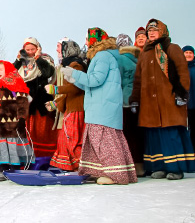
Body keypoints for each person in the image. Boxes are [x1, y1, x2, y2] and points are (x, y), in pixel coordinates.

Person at [62, 28, 137, 185]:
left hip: (102, 107)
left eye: (88, 39)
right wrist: (75, 79)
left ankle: (117, 175)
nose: (86, 42)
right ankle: (99, 171)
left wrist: (74, 73)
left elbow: (95, 80)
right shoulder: (105, 56)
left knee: (105, 142)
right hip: (101, 105)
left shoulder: (102, 56)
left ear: (95, 41)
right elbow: (91, 84)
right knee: (99, 142)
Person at [130, 19, 195, 180]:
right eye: (149, 31)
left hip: (169, 101)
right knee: (154, 136)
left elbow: (183, 73)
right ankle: (159, 167)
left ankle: (176, 168)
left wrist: (182, 94)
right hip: (149, 104)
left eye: (154, 30)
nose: (151, 33)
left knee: (170, 134)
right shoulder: (145, 52)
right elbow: (138, 79)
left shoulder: (172, 48)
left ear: (163, 31)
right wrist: (135, 99)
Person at [13, 38, 57, 161]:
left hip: (41, 100)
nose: (30, 52)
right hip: (25, 101)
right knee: (24, 130)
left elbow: (48, 73)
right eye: (27, 50)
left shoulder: (45, 58)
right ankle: (26, 157)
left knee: (43, 130)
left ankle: (45, 157)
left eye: (33, 49)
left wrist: (38, 58)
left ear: (38, 48)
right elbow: (11, 74)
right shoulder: (21, 61)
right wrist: (17, 60)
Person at [0, 61, 33, 181]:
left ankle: (15, 168)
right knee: (1, 147)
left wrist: (21, 118)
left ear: (8, 70)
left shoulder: (16, 83)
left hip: (12, 123)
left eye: (2, 69)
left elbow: (22, 102)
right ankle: (2, 168)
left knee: (12, 146)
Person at [48, 40, 86, 172]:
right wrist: (56, 103)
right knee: (67, 137)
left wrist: (56, 90)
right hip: (71, 107)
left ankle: (81, 166)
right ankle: (71, 166)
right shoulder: (69, 65)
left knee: (73, 139)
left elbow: (75, 88)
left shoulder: (76, 66)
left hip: (76, 108)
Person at [114, 34, 145, 176]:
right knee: (137, 135)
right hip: (138, 101)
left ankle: (129, 166)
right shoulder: (137, 59)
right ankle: (140, 165)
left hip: (124, 102)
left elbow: (117, 81)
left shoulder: (120, 60)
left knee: (126, 135)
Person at [183, 45, 195, 148]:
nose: (188, 55)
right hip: (183, 104)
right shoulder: (180, 68)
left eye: (190, 53)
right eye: (186, 53)